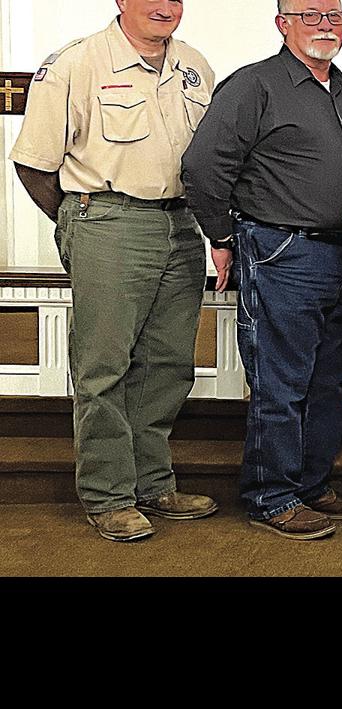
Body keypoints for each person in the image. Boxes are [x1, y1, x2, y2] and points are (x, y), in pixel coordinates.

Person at [9, 0, 217, 542]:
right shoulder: (77, 63)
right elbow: (33, 161)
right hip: (108, 218)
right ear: (121, 1)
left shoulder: (195, 66)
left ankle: (152, 483)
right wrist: (78, 221)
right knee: (104, 365)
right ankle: (108, 495)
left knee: (167, 363)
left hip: (179, 224)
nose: (165, 7)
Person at [182, 1, 342, 540]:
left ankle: (311, 485)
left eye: (334, 15)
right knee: (281, 382)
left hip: (341, 255)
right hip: (281, 251)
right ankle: (271, 496)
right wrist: (223, 237)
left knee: (328, 380)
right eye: (310, 14)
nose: (325, 25)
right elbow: (202, 167)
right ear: (282, 24)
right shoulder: (254, 85)